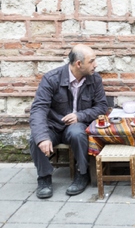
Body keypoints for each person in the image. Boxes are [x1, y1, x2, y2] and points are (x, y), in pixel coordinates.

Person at [29, 44, 108, 199]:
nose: (96, 65)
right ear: (79, 64)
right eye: (92, 61)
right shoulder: (51, 78)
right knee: (35, 138)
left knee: (78, 132)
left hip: (76, 126)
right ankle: (44, 178)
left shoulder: (94, 79)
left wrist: (80, 115)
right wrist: (43, 137)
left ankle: (82, 173)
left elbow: (102, 106)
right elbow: (38, 109)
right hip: (53, 125)